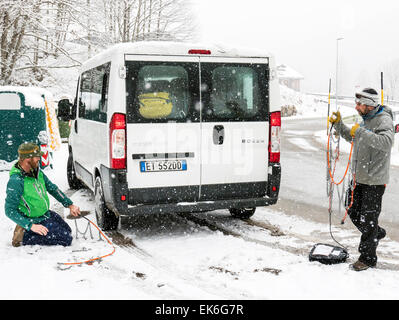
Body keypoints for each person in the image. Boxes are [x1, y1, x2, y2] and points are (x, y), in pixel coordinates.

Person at [329, 88, 394, 271]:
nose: (356, 107)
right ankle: (375, 233)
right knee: (352, 209)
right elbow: (355, 137)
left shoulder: (384, 120)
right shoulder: (366, 120)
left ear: (370, 104)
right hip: (359, 177)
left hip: (374, 180)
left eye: (359, 104)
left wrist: (361, 133)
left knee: (368, 219)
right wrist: (339, 125)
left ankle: (367, 258)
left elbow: (386, 143)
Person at [5, 142, 81, 247]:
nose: (39, 159)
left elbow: (53, 189)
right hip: (31, 220)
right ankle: (23, 235)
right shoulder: (16, 181)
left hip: (45, 214)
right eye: (37, 157)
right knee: (66, 239)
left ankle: (32, 229)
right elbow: (9, 210)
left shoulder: (37, 172)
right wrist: (31, 226)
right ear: (28, 159)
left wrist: (69, 205)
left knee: (67, 230)